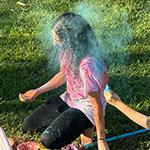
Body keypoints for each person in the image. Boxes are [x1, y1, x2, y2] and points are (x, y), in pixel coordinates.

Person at [20, 13, 109, 150]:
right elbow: (63, 74)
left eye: (57, 39)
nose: (54, 43)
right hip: (70, 98)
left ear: (70, 39)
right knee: (28, 126)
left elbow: (96, 104)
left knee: (48, 141)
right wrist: (38, 91)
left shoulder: (88, 66)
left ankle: (87, 126)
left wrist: (101, 139)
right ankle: (74, 125)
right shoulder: (68, 51)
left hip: (87, 108)